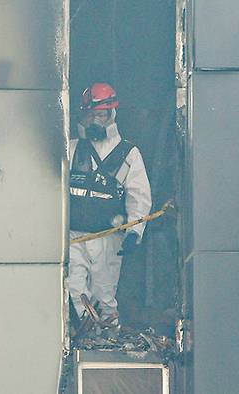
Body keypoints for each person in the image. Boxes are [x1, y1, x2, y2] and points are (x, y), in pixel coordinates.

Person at [67, 83, 152, 335]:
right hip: (75, 236)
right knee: (75, 290)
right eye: (92, 114)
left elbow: (139, 195)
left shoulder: (128, 153)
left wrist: (135, 232)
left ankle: (109, 340)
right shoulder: (71, 149)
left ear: (112, 114)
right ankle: (84, 338)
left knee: (105, 294)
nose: (96, 119)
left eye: (102, 114)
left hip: (109, 237)